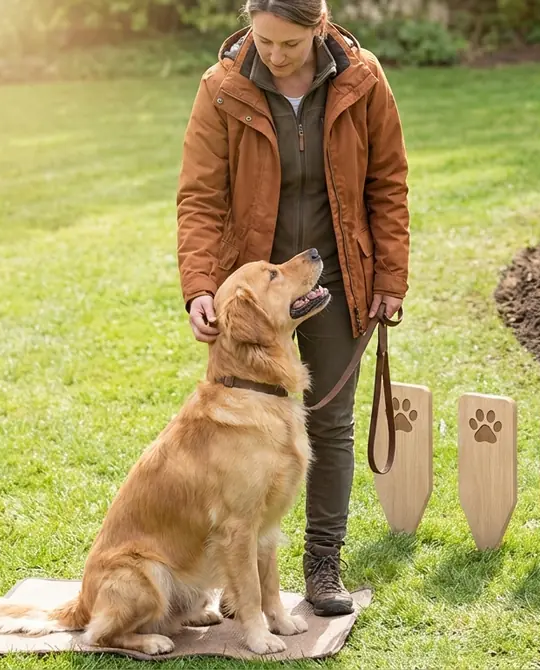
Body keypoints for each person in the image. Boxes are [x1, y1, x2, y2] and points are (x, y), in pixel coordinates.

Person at [174, 0, 410, 616]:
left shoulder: (363, 79)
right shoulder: (223, 88)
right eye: (265, 41)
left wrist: (390, 275)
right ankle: (240, 577)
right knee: (239, 435)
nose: (275, 56)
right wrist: (202, 286)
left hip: (335, 279)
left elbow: (388, 182)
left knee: (330, 424)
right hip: (253, 294)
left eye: (289, 44)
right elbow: (199, 196)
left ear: (320, 28)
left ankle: (323, 563)